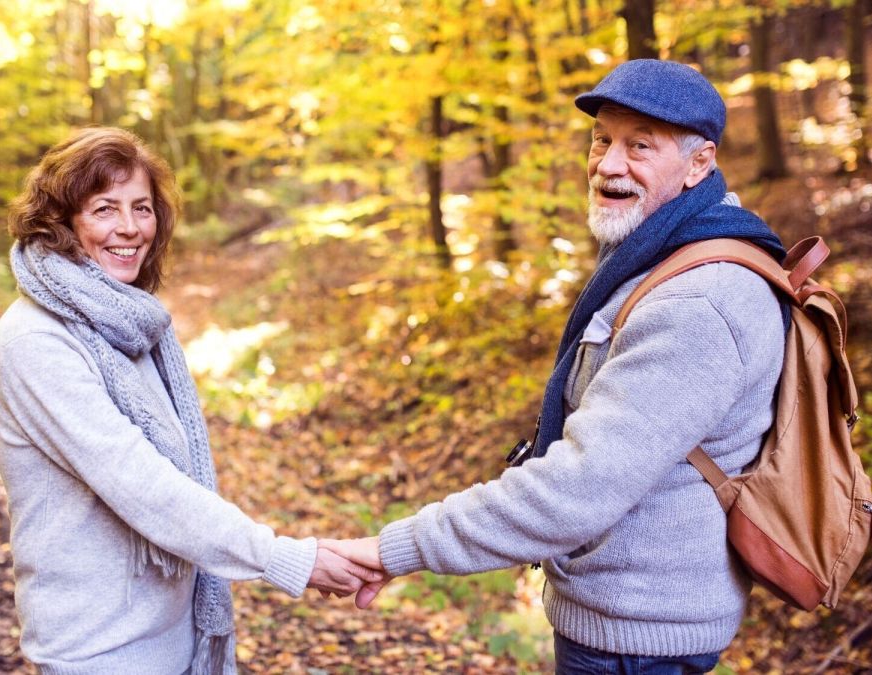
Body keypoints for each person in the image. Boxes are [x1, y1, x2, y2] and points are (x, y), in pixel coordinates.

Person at [327, 59, 788, 673]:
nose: (609, 164)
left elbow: (579, 486)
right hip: (621, 622)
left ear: (699, 164)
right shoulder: (656, 259)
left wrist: (398, 548)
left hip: (637, 641)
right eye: (602, 140)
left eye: (640, 146)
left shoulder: (699, 302)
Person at [0, 126, 383, 674]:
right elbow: (142, 484)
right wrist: (286, 558)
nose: (130, 227)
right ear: (60, 223)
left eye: (142, 207)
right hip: (98, 650)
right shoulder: (36, 341)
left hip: (176, 636)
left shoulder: (130, 326)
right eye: (104, 208)